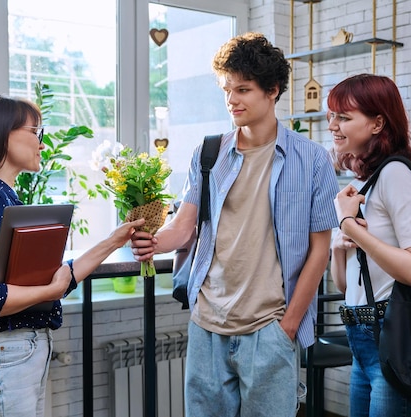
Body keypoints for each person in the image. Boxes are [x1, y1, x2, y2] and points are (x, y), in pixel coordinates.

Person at [131, 32, 339, 416]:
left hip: (270, 327)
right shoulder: (209, 153)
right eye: (227, 89)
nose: (231, 100)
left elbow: (320, 250)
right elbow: (184, 227)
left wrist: (289, 325)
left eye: (242, 89)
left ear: (272, 90)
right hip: (206, 324)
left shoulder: (311, 160)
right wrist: (152, 241)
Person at [0, 93, 144, 417]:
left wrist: (113, 241)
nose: (42, 144)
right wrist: (50, 290)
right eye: (37, 133)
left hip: (6, 358)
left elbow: (51, 281)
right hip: (0, 358)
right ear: (1, 134)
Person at [328, 74, 411, 417]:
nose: (333, 125)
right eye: (332, 116)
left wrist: (349, 225)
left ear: (377, 123)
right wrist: (338, 244)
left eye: (344, 117)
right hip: (364, 341)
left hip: (396, 339)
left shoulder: (395, 175)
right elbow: (347, 287)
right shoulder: (367, 182)